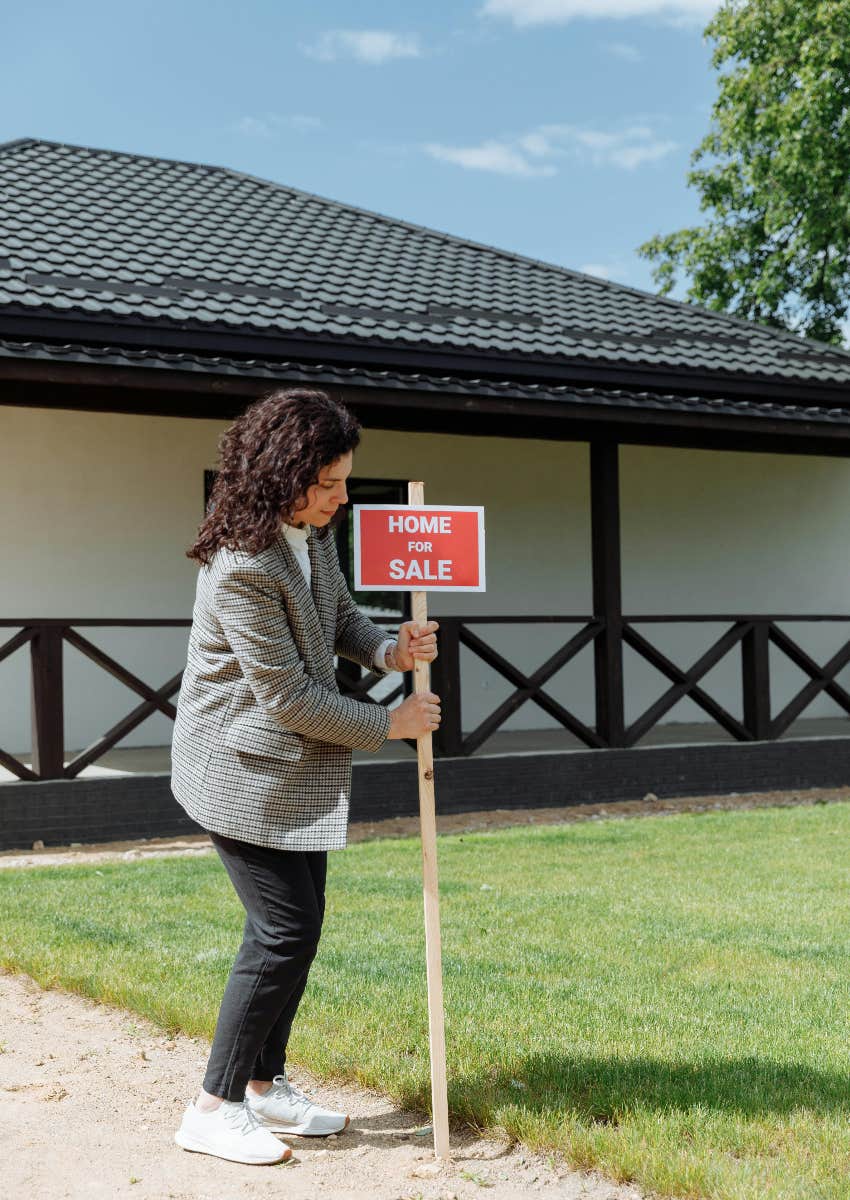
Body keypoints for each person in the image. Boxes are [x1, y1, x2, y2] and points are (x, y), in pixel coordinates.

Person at [170, 387, 440, 1165]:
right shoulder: (241, 567)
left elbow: (340, 617)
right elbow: (288, 696)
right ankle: (211, 1107)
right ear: (282, 474)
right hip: (239, 769)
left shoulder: (309, 532)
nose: (341, 496)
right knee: (281, 933)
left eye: (344, 480)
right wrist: (390, 723)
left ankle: (264, 1088)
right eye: (327, 483)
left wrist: (390, 651)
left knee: (301, 928)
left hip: (289, 768)